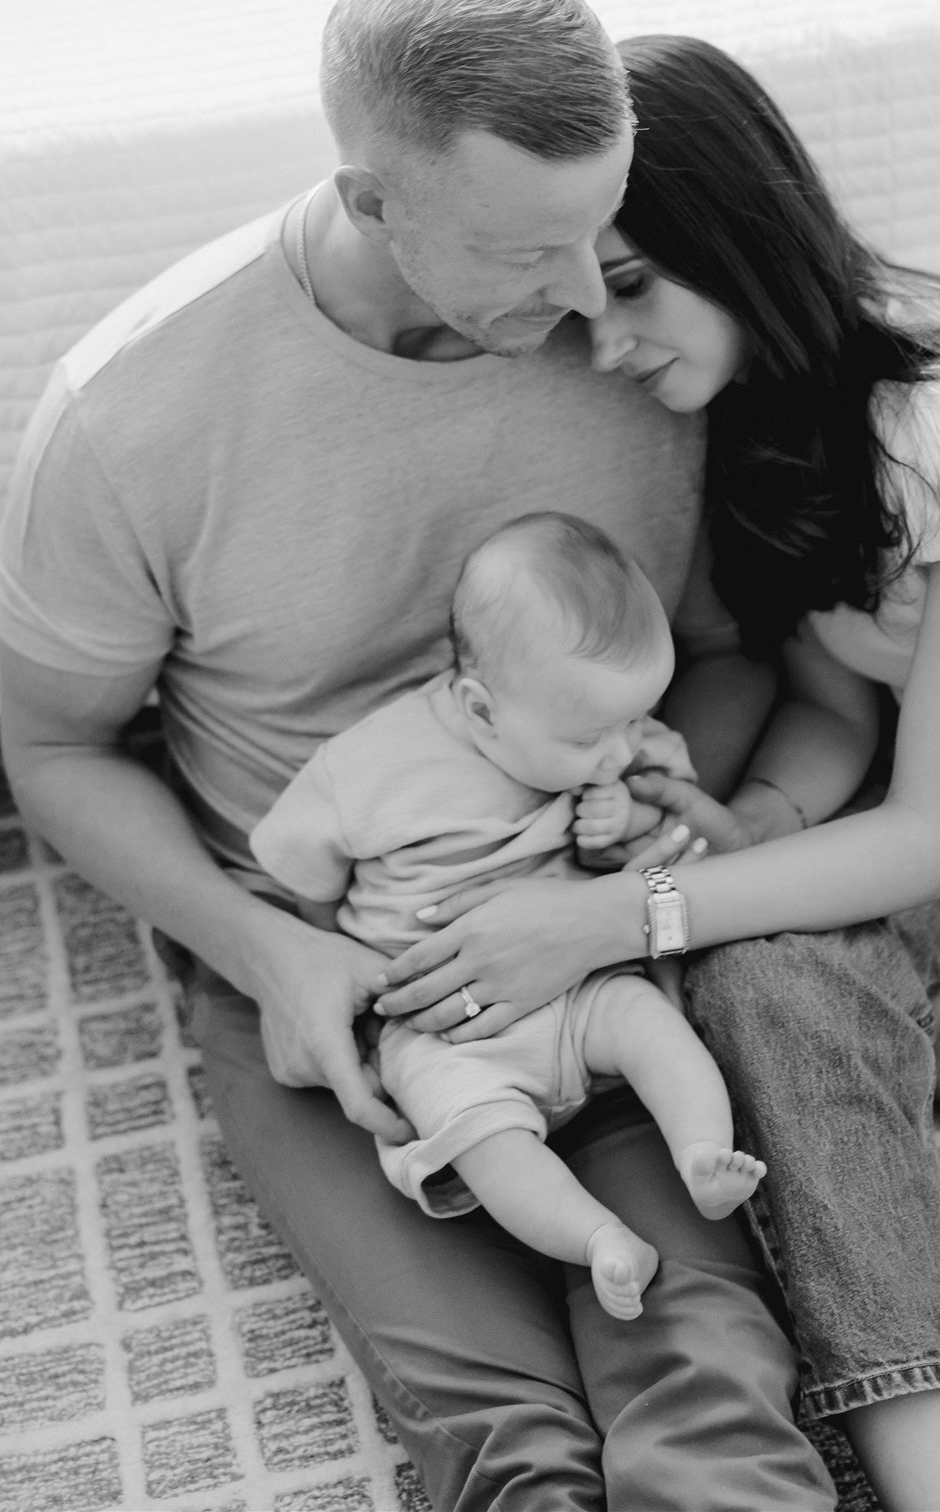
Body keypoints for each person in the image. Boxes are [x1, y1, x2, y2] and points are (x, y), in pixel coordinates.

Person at [371, 33, 940, 1511]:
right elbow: (837, 702)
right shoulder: (742, 407)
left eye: (628, 288)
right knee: (760, 982)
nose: (604, 347)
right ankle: (939, 1487)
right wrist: (754, 831)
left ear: (736, 231)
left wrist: (623, 913)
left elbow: (925, 829)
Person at [0, 0, 838, 1512]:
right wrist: (276, 960)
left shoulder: (629, 331)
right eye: (532, 250)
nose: (592, 296)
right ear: (370, 200)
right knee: (501, 1432)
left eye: (606, 226)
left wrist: (627, 817)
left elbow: (719, 653)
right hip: (327, 958)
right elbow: (52, 754)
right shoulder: (134, 417)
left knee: (708, 1361)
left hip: (590, 916)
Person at [251, 510, 767, 1323]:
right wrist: (330, 953)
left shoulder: (609, 746)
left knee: (652, 1027)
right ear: (482, 710)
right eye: (595, 736)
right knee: (482, 1141)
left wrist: (624, 821)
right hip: (445, 1028)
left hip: (578, 983)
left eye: (635, 719)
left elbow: (660, 834)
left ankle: (702, 1152)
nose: (622, 750)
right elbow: (299, 877)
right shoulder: (367, 769)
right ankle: (597, 1239)